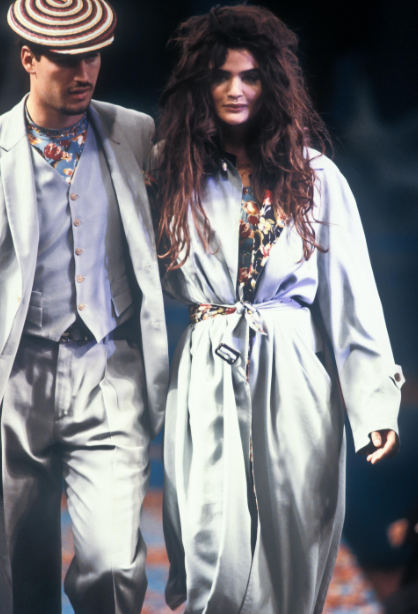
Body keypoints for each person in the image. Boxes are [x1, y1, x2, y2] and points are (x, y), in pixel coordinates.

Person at [151, 6, 404, 614]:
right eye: (220, 76)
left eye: (250, 76)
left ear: (273, 83)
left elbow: (352, 295)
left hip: (294, 370)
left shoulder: (315, 176)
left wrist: (374, 402)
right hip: (208, 363)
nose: (235, 89)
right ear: (200, 84)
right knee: (211, 547)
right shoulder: (169, 168)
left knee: (295, 544)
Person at [0, 1, 168, 613]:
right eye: (67, 60)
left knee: (114, 565)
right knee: (17, 572)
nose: (84, 73)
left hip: (108, 365)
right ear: (28, 58)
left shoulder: (135, 132)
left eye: (93, 56)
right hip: (17, 375)